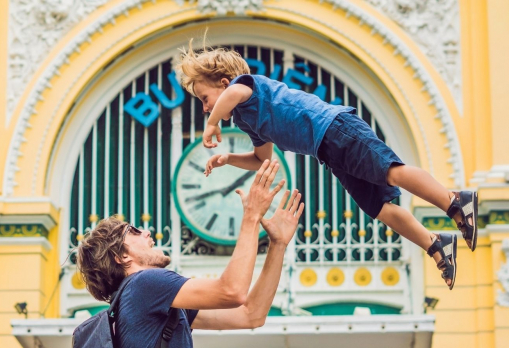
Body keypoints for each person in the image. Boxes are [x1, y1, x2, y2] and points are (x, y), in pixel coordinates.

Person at [175, 41, 477, 290]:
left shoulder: (245, 87)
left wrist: (212, 124)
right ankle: (436, 244)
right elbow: (262, 160)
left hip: (336, 128)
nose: (204, 108)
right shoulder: (246, 120)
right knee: (379, 208)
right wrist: (229, 159)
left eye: (204, 99)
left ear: (224, 83)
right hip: (328, 151)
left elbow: (234, 94)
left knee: (390, 171)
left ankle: (454, 201)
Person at [76, 160, 303, 348]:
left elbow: (251, 315)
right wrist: (250, 218)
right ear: (122, 257)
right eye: (132, 231)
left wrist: (278, 245)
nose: (146, 232)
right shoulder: (146, 284)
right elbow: (231, 291)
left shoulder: (148, 303)